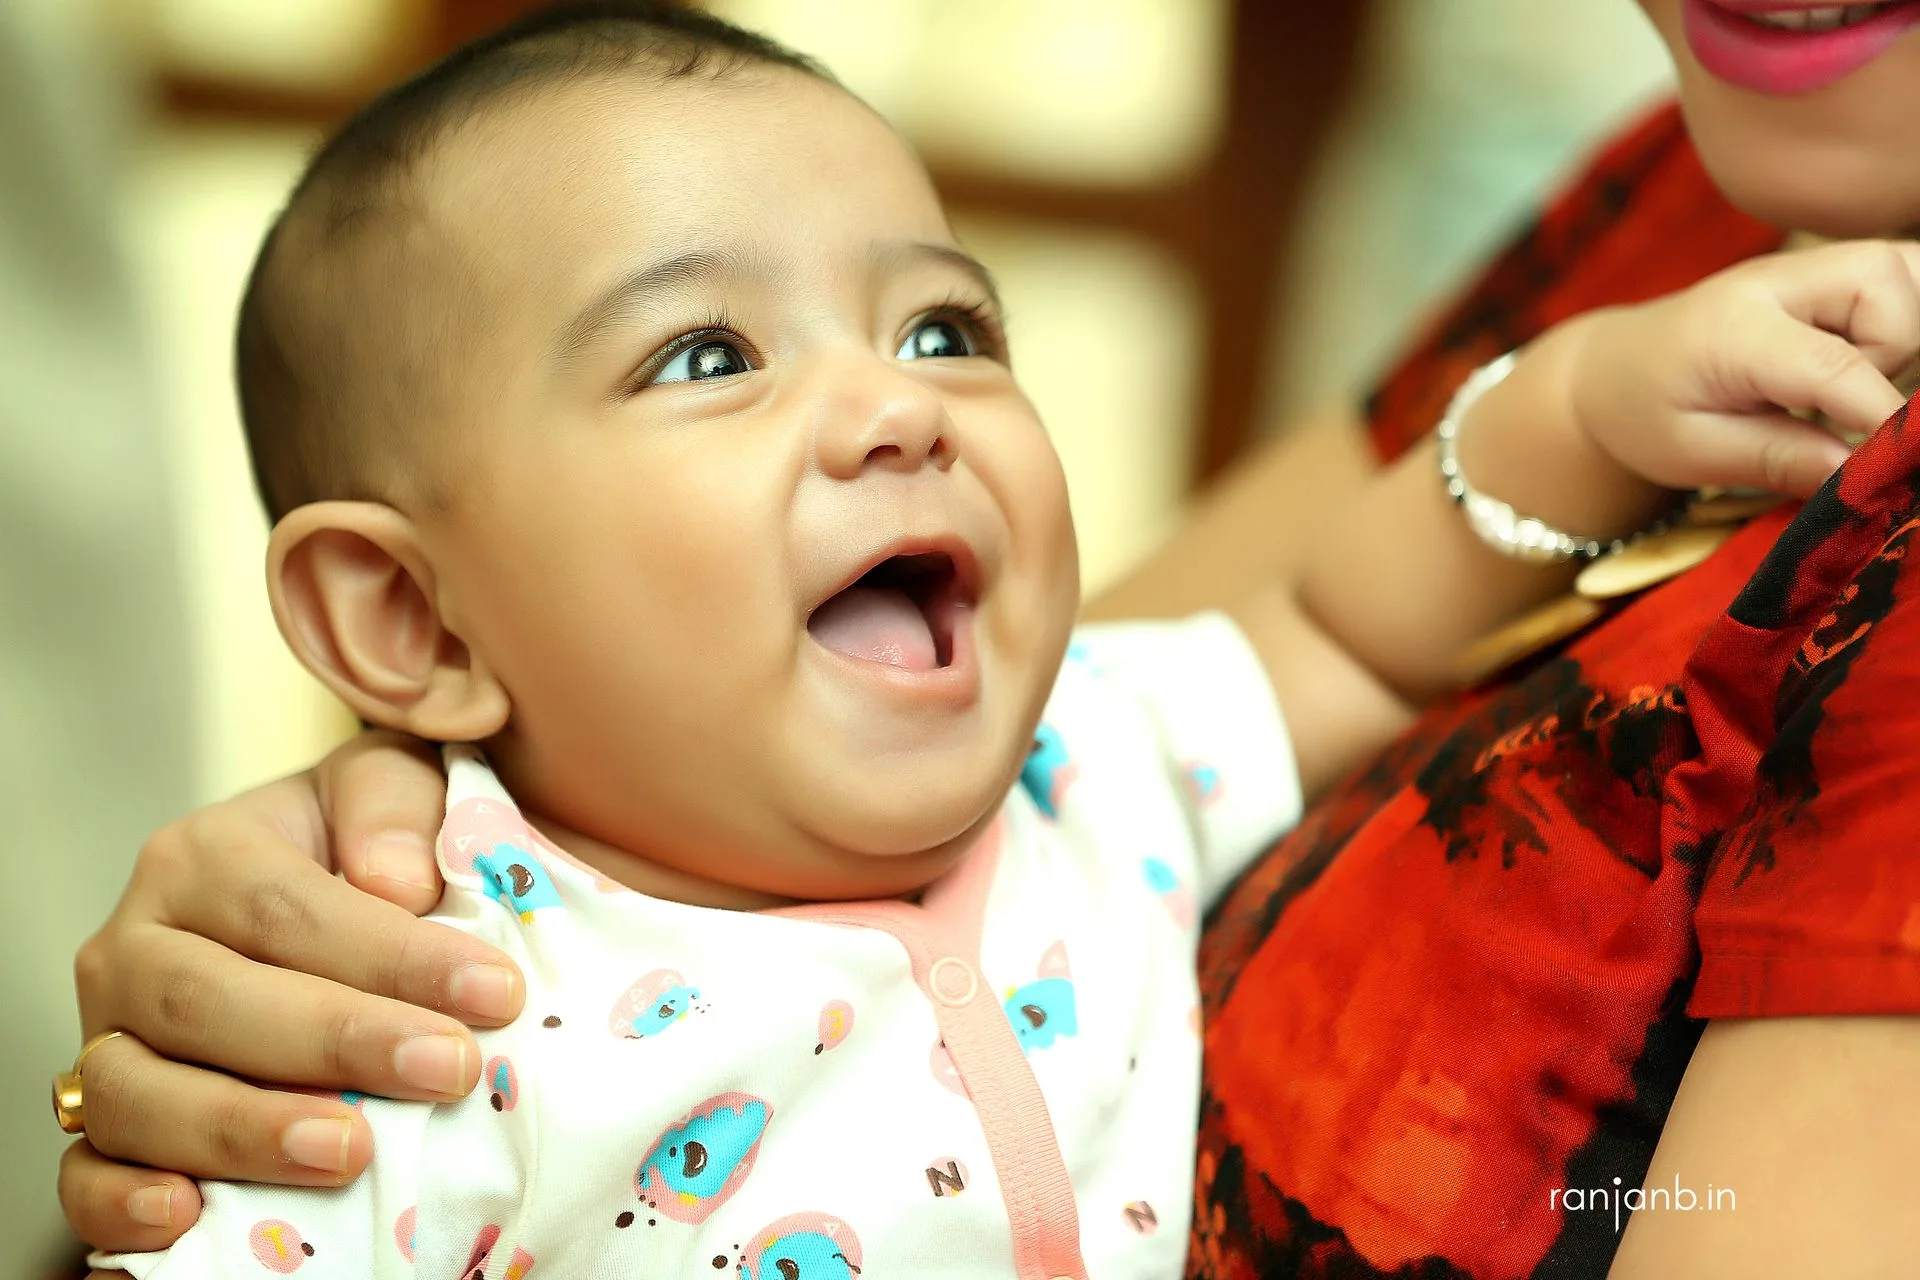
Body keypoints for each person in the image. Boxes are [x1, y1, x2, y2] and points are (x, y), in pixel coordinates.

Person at [54, 0, 1920, 1276]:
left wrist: (1587, 411)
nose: (897, 408)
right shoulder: (429, 1025)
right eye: (709, 358)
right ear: (404, 617)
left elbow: (1346, 613)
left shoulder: (1097, 766)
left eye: (946, 328)